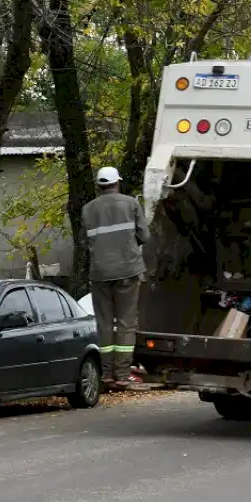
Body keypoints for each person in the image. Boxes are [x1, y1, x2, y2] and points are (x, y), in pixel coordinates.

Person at [82, 166, 150, 389]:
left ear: (99, 186)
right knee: (125, 323)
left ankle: (107, 374)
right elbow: (145, 236)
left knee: (104, 323)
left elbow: (86, 242)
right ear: (117, 183)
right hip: (127, 271)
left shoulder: (87, 209)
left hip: (99, 274)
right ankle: (122, 374)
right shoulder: (131, 204)